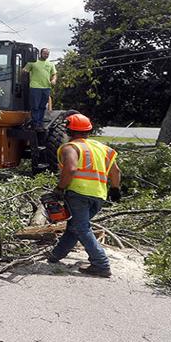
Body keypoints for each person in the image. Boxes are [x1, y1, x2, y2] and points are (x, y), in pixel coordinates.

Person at [46, 113, 122, 277]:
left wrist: (59, 188)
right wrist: (115, 189)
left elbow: (71, 169)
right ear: (89, 130)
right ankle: (55, 255)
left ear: (68, 130)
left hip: (78, 193)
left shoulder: (71, 148)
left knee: (81, 227)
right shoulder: (102, 148)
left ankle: (101, 264)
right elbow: (116, 171)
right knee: (74, 226)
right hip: (99, 195)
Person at [21, 48, 56, 129]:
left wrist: (54, 80)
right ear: (40, 53)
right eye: (45, 53)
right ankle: (35, 123)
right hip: (35, 87)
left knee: (42, 106)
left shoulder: (50, 64)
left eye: (47, 54)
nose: (46, 55)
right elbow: (24, 70)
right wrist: (23, 71)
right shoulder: (32, 63)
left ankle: (40, 123)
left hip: (46, 87)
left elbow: (54, 74)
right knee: (35, 106)